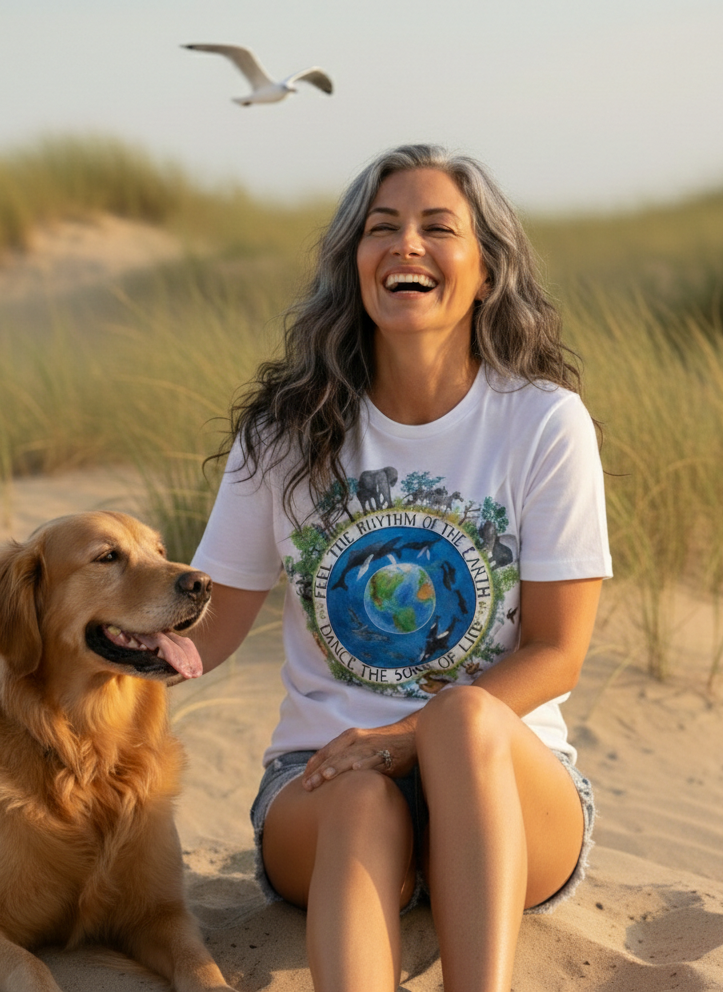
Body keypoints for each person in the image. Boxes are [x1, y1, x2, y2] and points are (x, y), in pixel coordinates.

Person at [187, 144, 611, 992]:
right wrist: (75, 630)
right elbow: (205, 634)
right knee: (359, 797)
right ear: (355, 266)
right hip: (323, 788)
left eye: (437, 227)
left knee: (460, 717)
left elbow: (558, 653)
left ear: (486, 269)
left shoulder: (542, 425)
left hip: (509, 786)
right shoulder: (283, 433)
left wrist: (402, 736)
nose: (406, 245)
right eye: (382, 228)